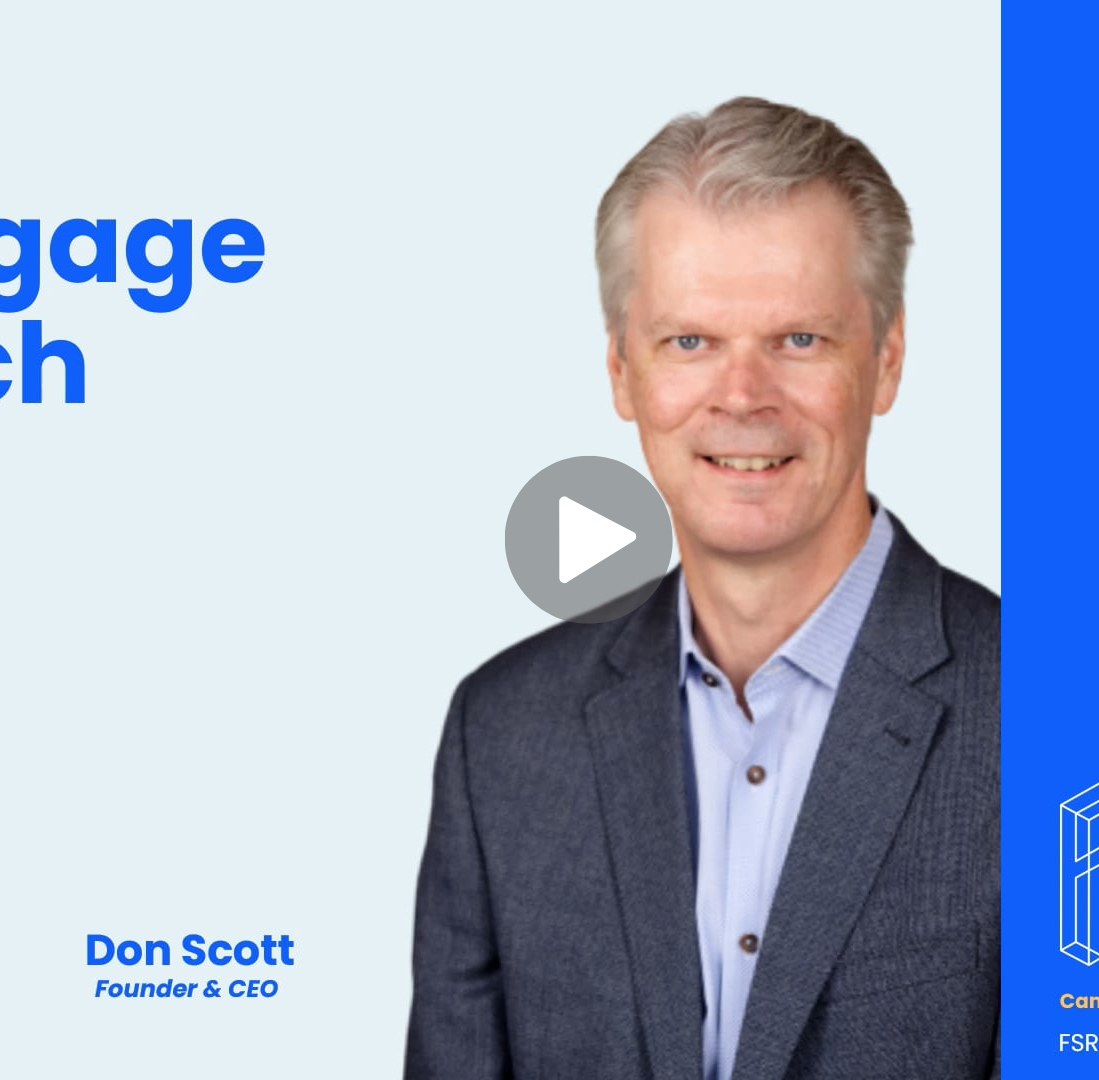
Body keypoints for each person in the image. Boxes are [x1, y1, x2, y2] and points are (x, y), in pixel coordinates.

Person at [406, 97, 999, 1080]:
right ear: (621, 372)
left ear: (887, 360)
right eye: (690, 342)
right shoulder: (502, 735)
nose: (742, 394)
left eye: (800, 340)